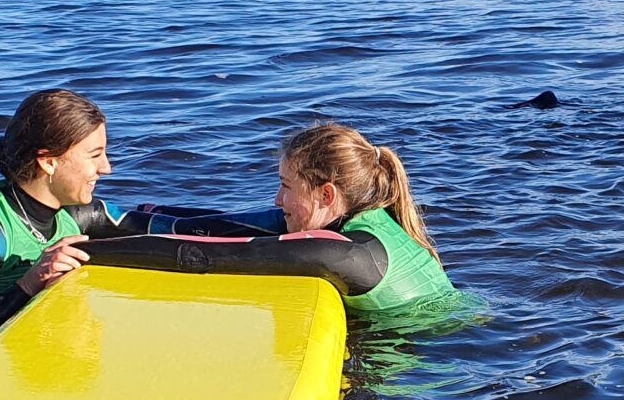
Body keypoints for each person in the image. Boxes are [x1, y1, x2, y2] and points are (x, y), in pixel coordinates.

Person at [0, 89, 249, 330]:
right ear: (49, 161)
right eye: (94, 155)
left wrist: (285, 222)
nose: (107, 168)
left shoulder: (76, 215)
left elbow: (180, 228)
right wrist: (28, 284)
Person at [83, 123, 457, 314]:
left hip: (433, 368)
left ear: (326, 194)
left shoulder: (343, 253)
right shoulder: (355, 217)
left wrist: (85, 254)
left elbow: (204, 255)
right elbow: (210, 225)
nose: (278, 200)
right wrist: (96, 218)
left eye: (286, 186)